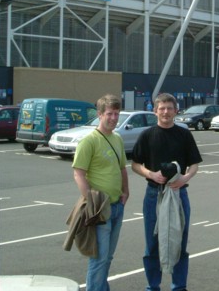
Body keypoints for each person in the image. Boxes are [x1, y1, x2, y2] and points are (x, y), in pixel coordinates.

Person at [132, 93, 202, 291]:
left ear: (175, 111)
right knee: (152, 245)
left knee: (179, 242)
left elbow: (194, 164)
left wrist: (184, 178)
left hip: (179, 195)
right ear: (155, 111)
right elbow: (135, 164)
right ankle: (153, 286)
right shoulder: (147, 135)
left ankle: (179, 286)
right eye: (161, 108)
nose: (165, 112)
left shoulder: (184, 134)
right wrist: (151, 174)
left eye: (169, 108)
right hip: (154, 194)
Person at [72, 94, 129, 291]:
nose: (114, 118)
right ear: (99, 115)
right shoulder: (89, 141)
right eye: (109, 114)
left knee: (108, 256)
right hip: (100, 208)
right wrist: (91, 202)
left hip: (117, 206)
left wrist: (125, 191)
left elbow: (122, 168)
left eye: (116, 114)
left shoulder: (117, 139)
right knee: (98, 257)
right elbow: (79, 174)